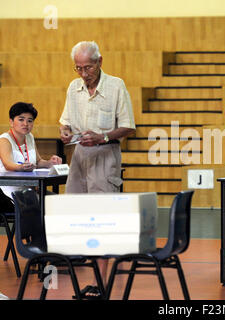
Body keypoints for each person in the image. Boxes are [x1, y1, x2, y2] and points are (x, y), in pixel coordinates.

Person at [59, 41, 136, 298]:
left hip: (105, 157)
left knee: (101, 222)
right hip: (80, 158)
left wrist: (102, 137)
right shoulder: (73, 87)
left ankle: (100, 283)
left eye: (88, 67)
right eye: (78, 68)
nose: (83, 73)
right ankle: (92, 280)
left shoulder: (116, 86)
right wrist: (65, 131)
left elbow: (128, 127)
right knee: (80, 220)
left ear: (100, 62)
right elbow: (66, 122)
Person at [0, 102, 62, 199]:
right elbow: (8, 165)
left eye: (30, 121)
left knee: (58, 200)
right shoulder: (4, 140)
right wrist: (21, 167)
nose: (26, 124)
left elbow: (38, 161)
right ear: (11, 122)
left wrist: (50, 163)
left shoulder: (29, 137)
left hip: (30, 189)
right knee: (47, 206)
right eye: (21, 120)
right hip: (11, 191)